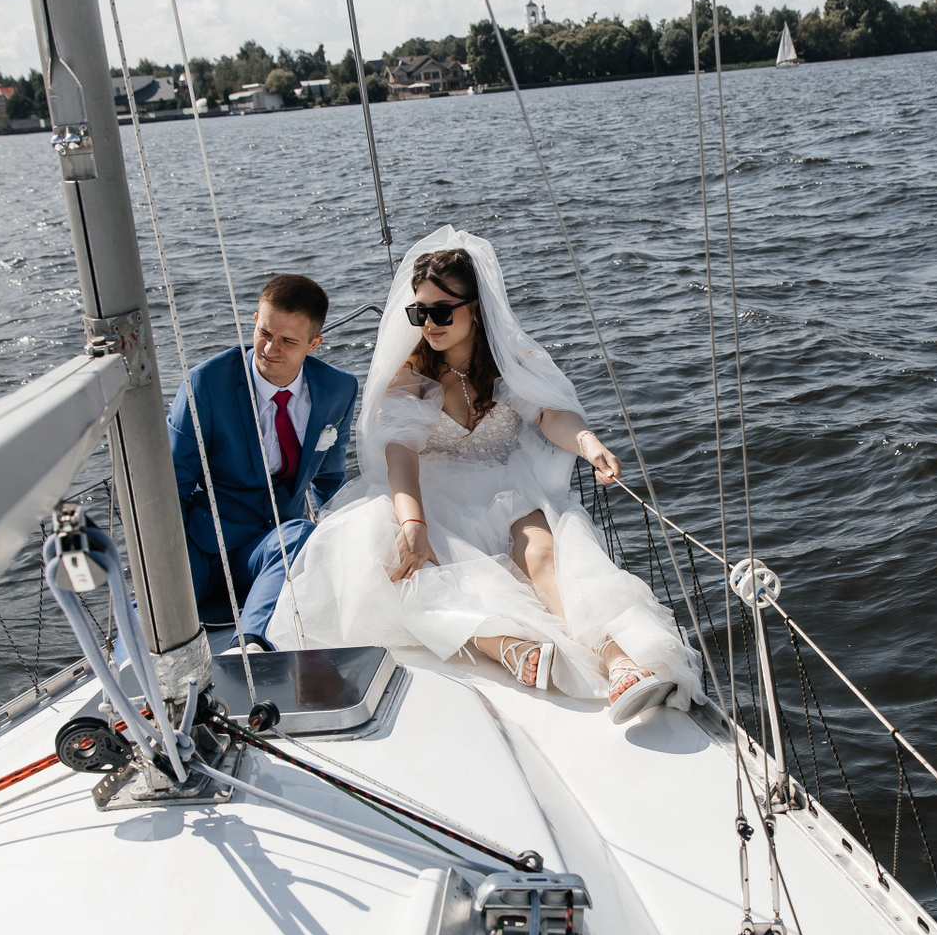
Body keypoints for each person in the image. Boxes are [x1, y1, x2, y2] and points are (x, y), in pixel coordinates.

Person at [270, 226, 699, 723]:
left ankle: (618, 660)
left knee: (543, 556)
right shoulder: (410, 376)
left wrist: (587, 442)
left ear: (475, 308)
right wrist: (413, 521)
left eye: (441, 311)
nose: (428, 324)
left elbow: (548, 413)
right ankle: (505, 645)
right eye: (419, 313)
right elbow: (400, 454)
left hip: (506, 486)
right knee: (404, 567)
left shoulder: (511, 362)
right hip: (428, 493)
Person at [168, 274, 357, 649]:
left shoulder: (338, 389)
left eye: (288, 341)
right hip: (204, 547)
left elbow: (330, 478)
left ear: (314, 344)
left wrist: (339, 551)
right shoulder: (205, 384)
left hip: (273, 547)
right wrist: (170, 559)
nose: (270, 348)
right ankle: (128, 664)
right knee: (157, 604)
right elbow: (172, 484)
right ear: (255, 319)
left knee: (302, 535)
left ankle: (250, 646)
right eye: (264, 333)